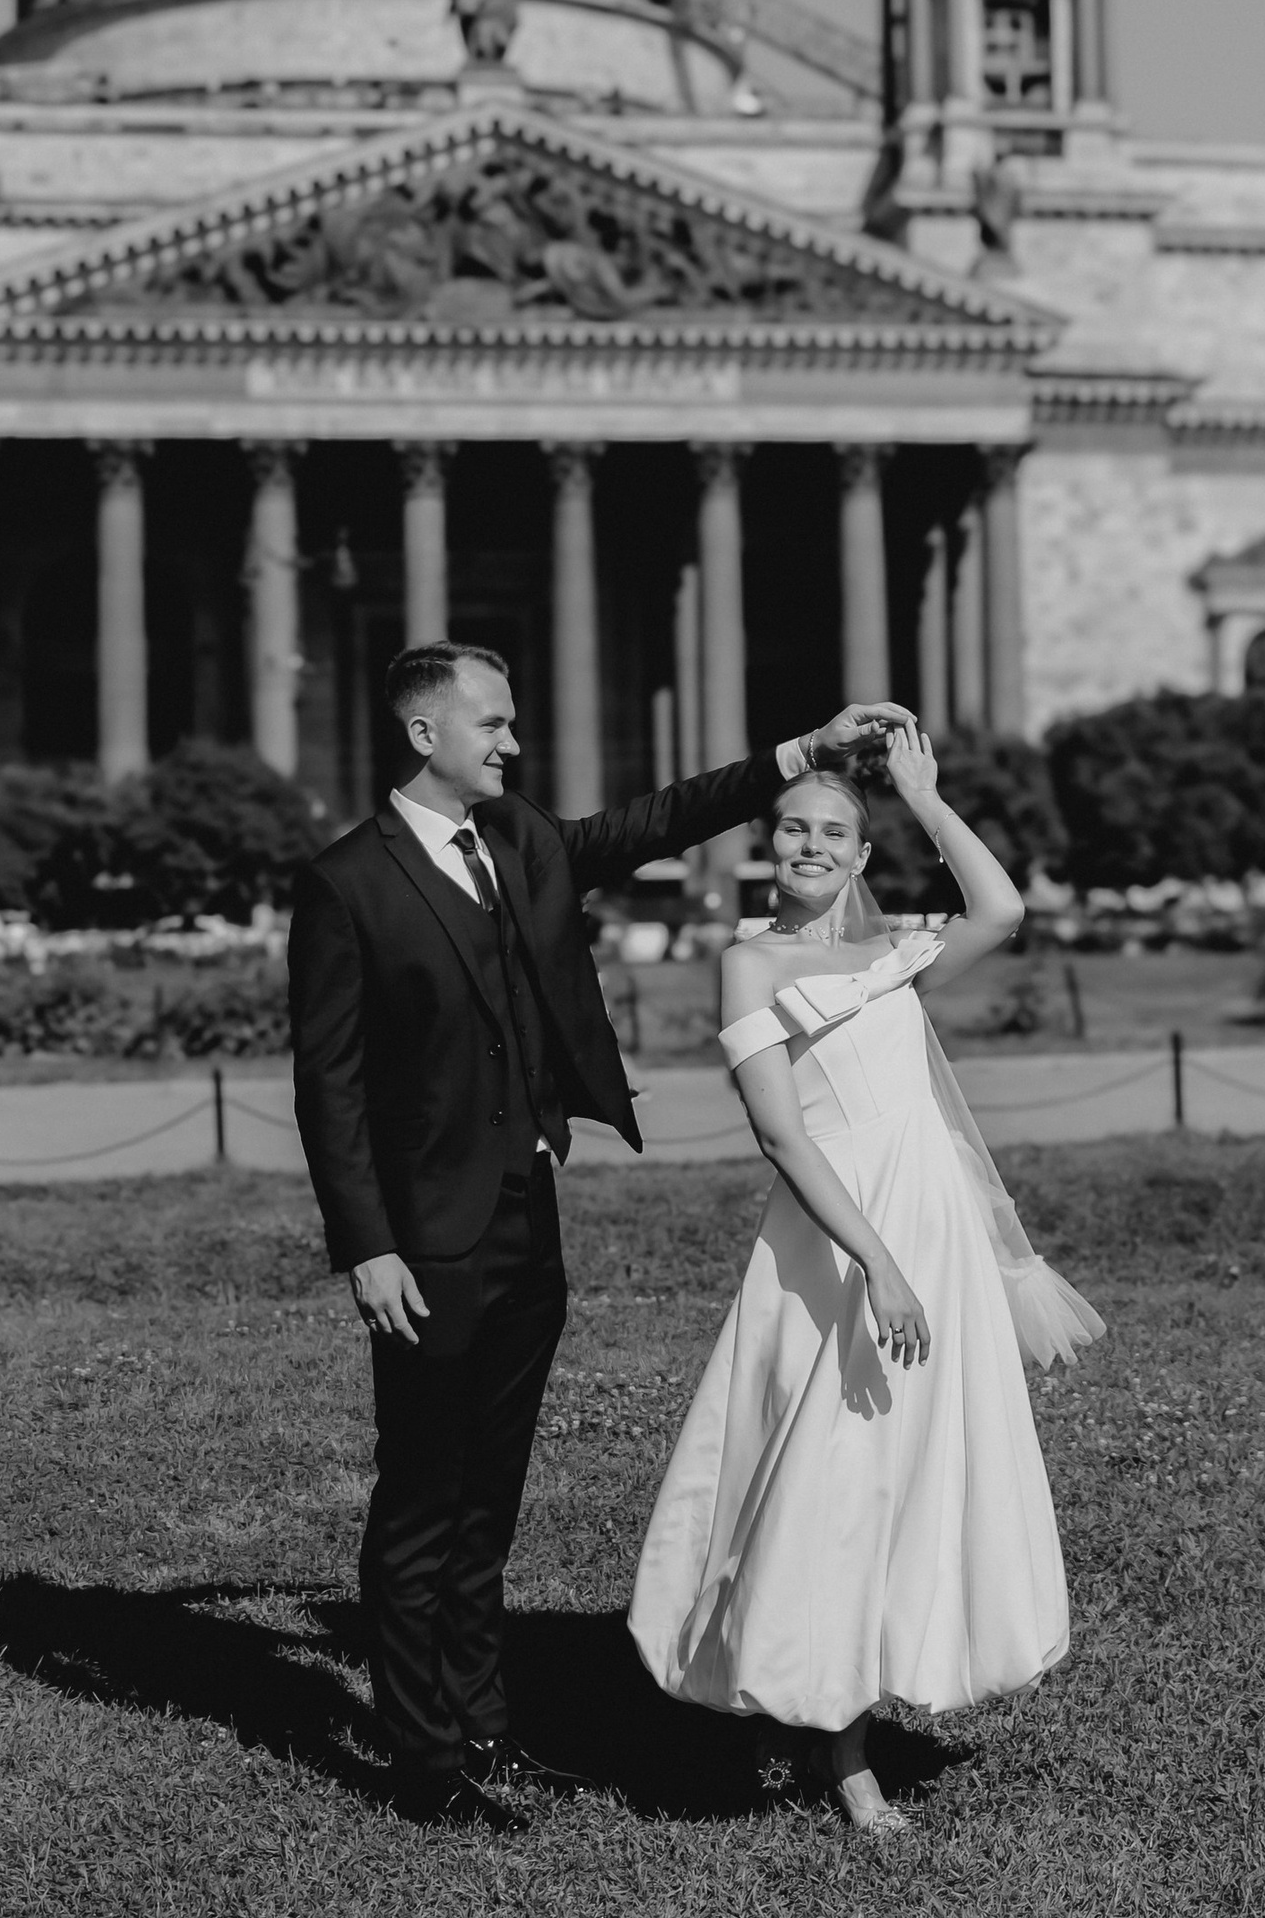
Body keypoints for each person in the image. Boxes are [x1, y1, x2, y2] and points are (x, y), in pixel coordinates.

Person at [289, 641, 915, 1832]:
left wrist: (804, 751)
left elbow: (660, 818)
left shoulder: (519, 838)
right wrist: (367, 1245)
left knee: (489, 1501)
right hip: (421, 1239)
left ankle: (484, 1727)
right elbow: (331, 1082)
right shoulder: (346, 882)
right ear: (425, 733)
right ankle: (423, 1766)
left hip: (527, 1218)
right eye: (492, 723)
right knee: (421, 1500)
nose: (512, 741)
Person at [628, 724, 1104, 1832]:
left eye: (833, 833)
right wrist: (877, 1262)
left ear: (859, 854)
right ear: (770, 844)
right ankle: (835, 1743)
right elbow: (782, 1137)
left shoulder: (893, 949)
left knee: (917, 1469)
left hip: (938, 1233)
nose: (810, 844)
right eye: (794, 827)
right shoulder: (750, 961)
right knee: (835, 1481)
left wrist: (925, 798)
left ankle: (846, 1686)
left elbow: (1002, 910)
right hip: (839, 1245)